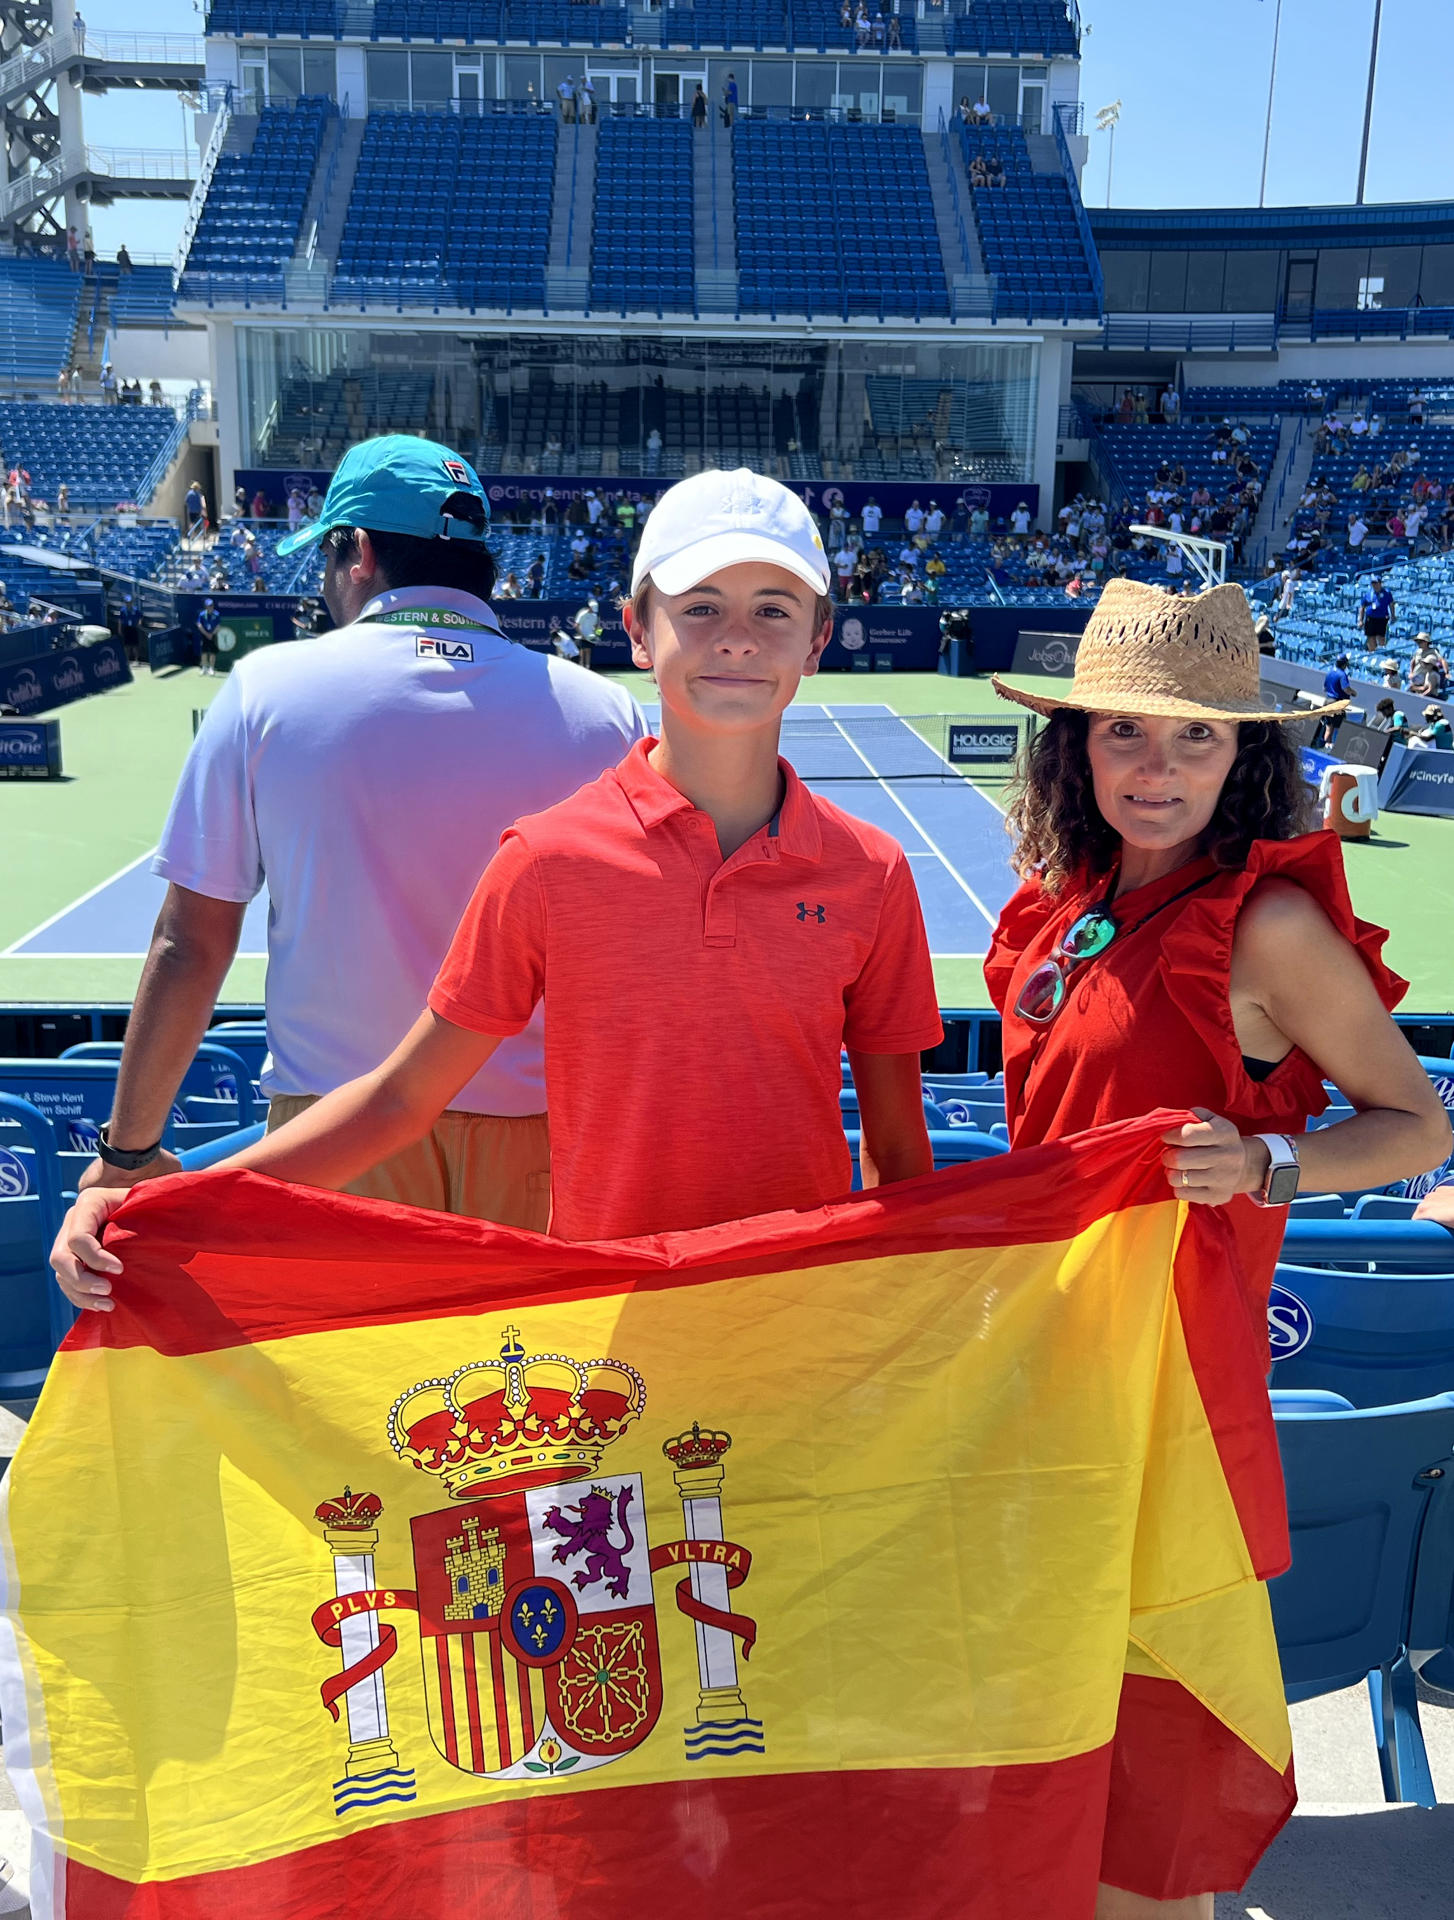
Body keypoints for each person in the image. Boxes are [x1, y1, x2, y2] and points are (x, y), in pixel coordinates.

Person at [54, 468, 940, 1297]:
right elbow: (402, 1097)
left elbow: (898, 1150)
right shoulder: (546, 860)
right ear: (634, 631)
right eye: (700, 607)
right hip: (606, 1323)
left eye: (774, 609)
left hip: (795, 1314)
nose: (738, 636)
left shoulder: (874, 873)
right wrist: (161, 1201)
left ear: (820, 637)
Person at [985, 578, 1450, 1920]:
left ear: (1247, 755)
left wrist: (1264, 1164)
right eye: (1127, 731)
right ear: (1074, 743)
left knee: (1147, 1804)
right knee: (1052, 1758)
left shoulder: (1266, 926)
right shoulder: (1065, 902)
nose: (1158, 764)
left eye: (1197, 737)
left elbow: (1414, 1125)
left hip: (1165, 1407)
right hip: (1041, 1386)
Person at [44, 436, 644, 1248]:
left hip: (327, 1145)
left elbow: (190, 946)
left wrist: (127, 1158)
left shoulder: (264, 689)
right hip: (537, 1139)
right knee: (506, 1377)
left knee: (353, 1378)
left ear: (357, 553)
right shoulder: (605, 715)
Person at [1359, 574, 1394, 646]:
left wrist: (1393, 615)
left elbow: (1391, 604)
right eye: (1373, 583)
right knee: (1370, 638)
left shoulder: (1387, 593)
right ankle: (1372, 653)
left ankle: (1380, 654)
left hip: (1382, 618)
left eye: (1376, 583)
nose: (1374, 585)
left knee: (1381, 638)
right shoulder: (1368, 594)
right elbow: (1362, 607)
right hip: (1370, 618)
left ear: (1380, 583)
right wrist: (1360, 620)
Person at [573, 595, 601, 669]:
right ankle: (581, 668)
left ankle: (588, 668)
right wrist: (582, 635)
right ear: (590, 607)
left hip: (590, 637)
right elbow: (576, 625)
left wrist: (597, 635)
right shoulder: (582, 614)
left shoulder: (595, 616)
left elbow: (596, 627)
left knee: (588, 651)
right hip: (582, 636)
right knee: (582, 651)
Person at [195, 596, 221, 676]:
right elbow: (199, 625)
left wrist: (212, 634)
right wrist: (206, 634)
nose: (211, 607)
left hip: (213, 635)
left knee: (213, 653)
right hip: (204, 635)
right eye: (209, 605)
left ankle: (211, 669)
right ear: (206, 606)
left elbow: (218, 626)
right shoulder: (202, 615)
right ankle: (204, 668)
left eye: (212, 605)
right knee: (204, 652)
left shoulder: (217, 614)